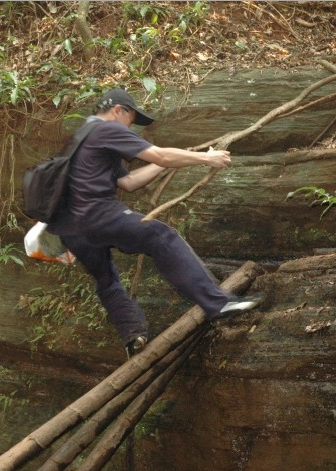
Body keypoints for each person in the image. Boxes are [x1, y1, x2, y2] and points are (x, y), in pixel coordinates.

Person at [46, 88, 261, 358]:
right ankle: (217, 304)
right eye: (131, 119)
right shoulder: (107, 130)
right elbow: (159, 155)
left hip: (71, 229)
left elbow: (129, 182)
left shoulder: (83, 137)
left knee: (107, 279)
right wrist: (206, 158)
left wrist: (172, 162)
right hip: (96, 214)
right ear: (117, 111)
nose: (131, 127)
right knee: (160, 235)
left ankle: (133, 335)